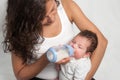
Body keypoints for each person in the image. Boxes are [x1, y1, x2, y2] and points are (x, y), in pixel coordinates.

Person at [3, 0, 107, 80]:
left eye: (53, 9)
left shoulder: (66, 6)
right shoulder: (21, 29)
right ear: (27, 18)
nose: (52, 19)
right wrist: (46, 58)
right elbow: (20, 74)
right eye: (42, 18)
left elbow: (101, 42)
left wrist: (85, 77)